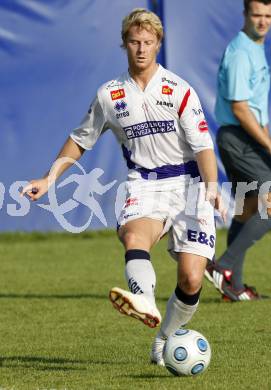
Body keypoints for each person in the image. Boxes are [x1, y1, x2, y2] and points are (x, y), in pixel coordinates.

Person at [22, 8, 224, 366]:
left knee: (192, 278)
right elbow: (79, 140)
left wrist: (211, 187)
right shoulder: (110, 95)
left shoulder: (179, 90)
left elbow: (204, 146)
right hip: (144, 185)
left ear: (158, 44)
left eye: (148, 42)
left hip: (189, 184)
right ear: (124, 44)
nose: (141, 49)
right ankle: (144, 300)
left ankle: (163, 339)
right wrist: (49, 178)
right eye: (134, 42)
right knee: (134, 237)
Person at [205, 0, 271, 301]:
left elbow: (255, 110)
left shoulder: (255, 48)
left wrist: (269, 143)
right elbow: (239, 109)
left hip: (245, 138)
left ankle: (234, 288)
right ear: (245, 15)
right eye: (257, 15)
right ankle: (221, 267)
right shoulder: (240, 52)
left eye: (269, 15)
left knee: (247, 210)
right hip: (238, 139)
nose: (263, 21)